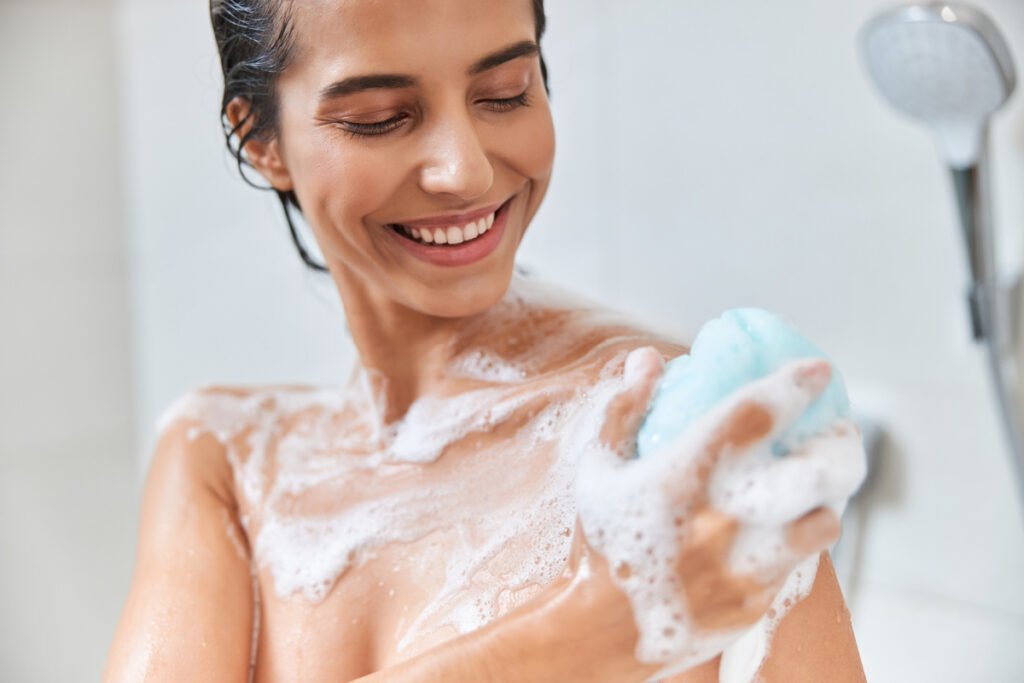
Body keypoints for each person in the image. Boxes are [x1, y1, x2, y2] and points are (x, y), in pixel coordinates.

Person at [105, 1, 866, 680]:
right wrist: (598, 630)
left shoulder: (675, 448)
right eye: (379, 116)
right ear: (260, 138)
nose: (463, 171)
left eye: (505, 94)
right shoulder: (230, 461)